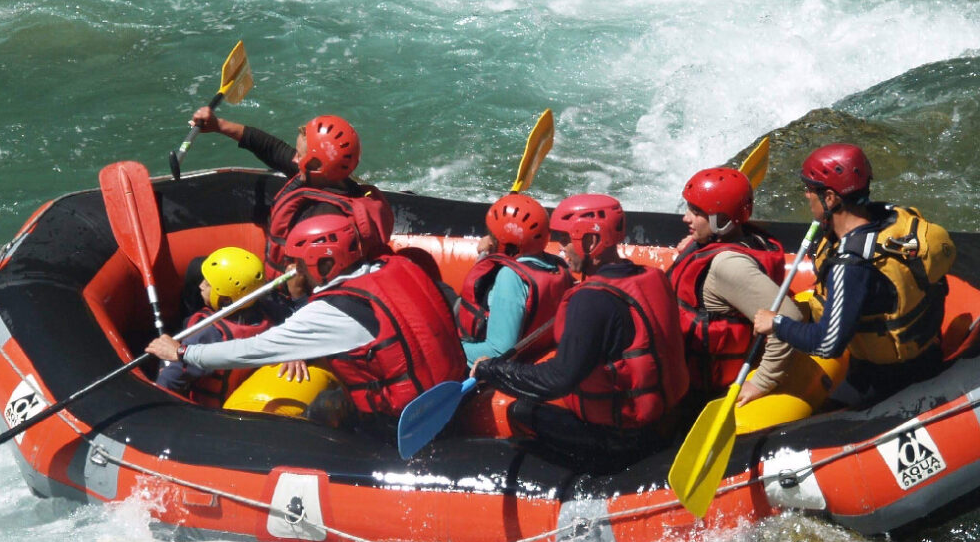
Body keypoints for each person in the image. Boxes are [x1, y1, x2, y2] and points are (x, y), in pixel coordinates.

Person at [147, 213, 466, 429]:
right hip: (449, 391)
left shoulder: (331, 310)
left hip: (401, 419)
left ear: (324, 262)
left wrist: (182, 353)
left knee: (316, 413)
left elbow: (253, 350)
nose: (292, 271)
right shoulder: (395, 267)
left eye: (298, 263)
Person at [471, 194, 689, 471]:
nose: (560, 249)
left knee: (520, 410)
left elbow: (556, 379)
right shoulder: (651, 275)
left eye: (564, 240)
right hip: (666, 420)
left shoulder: (590, 300)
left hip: (622, 441)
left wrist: (491, 370)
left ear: (591, 242)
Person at [753, 143, 956, 409]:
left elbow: (828, 345)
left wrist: (777, 323)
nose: (806, 195)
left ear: (830, 198)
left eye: (810, 189)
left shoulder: (850, 266)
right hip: (926, 353)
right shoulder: (892, 217)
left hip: (889, 382)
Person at [187, 107, 393, 278]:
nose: (294, 159)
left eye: (299, 155)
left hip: (292, 302)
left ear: (316, 165)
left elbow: (313, 283)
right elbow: (272, 149)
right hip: (289, 283)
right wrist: (219, 125)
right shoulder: (329, 178)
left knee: (198, 275)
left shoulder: (324, 219)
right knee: (198, 268)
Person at [668, 167, 802, 406]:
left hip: (708, 388)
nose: (685, 218)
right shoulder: (732, 238)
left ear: (721, 221)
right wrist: (696, 241)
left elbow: (789, 318)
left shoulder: (728, 266)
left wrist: (762, 381)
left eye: (696, 211)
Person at [458, 192, 574, 365]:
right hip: (537, 352)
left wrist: (452, 348)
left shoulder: (511, 277)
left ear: (508, 243)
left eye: (493, 234)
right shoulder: (558, 266)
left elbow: (499, 352)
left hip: (496, 365)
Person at [156, 247, 273, 406]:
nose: (201, 286)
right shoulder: (268, 315)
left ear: (226, 300)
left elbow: (171, 379)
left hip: (207, 409)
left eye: (208, 284)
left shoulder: (208, 334)